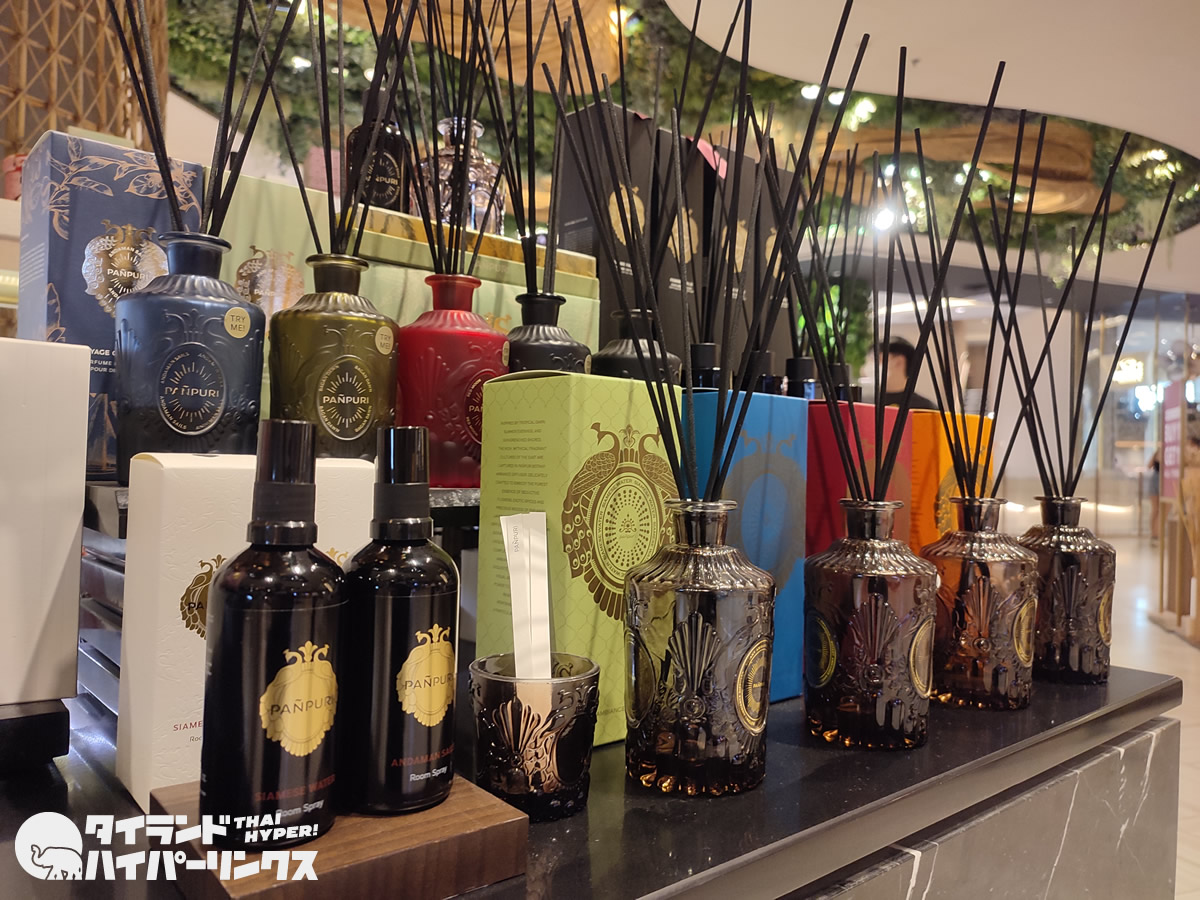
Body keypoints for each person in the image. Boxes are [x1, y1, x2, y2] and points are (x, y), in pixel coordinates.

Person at [877, 337, 936, 410]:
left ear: (898, 361)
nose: (872, 365)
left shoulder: (925, 408)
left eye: (879, 359)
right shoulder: (866, 400)